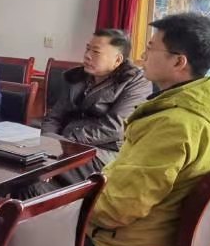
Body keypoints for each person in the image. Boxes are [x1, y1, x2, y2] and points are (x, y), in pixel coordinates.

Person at [85, 12, 210, 246]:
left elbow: (118, 209)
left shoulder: (174, 125)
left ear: (178, 61)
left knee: (19, 235)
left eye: (151, 48)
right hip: (153, 242)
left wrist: (69, 207)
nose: (142, 55)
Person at [42, 29, 151, 172]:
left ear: (117, 60)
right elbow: (54, 116)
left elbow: (115, 128)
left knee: (42, 173)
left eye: (96, 52)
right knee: (26, 164)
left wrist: (65, 140)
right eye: (87, 49)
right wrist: (47, 139)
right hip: (63, 144)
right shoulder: (77, 76)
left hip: (103, 153)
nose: (87, 55)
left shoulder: (136, 82)